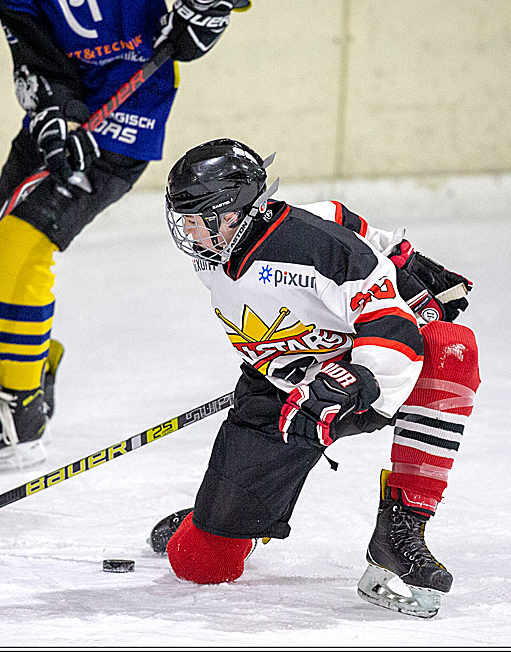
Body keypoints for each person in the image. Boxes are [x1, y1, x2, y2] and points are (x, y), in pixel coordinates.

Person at [0, 0, 253, 473]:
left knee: (17, 250)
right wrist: (55, 115)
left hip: (127, 123)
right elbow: (39, 62)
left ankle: (22, 416)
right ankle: (32, 374)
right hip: (61, 125)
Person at [150, 138, 478, 618]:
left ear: (236, 211)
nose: (188, 229)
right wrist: (400, 255)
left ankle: (402, 528)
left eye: (199, 216)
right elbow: (338, 214)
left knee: (451, 347)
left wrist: (355, 378)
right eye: (185, 217)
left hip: (350, 377)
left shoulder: (317, 250)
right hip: (277, 390)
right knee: (201, 564)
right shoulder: (221, 244)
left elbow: (395, 329)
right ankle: (218, 520)